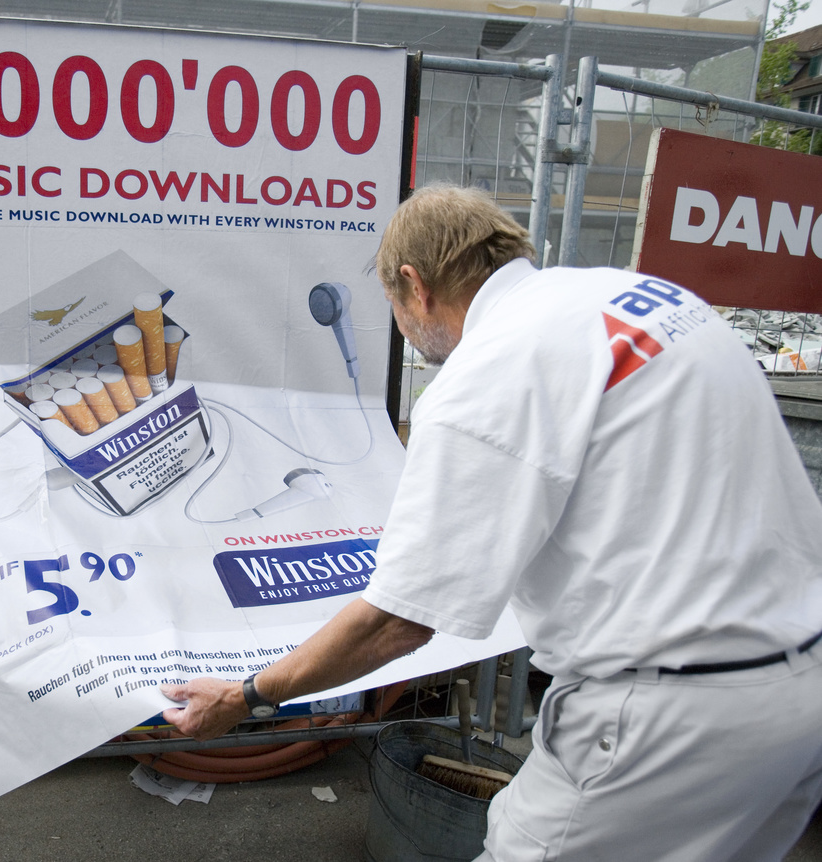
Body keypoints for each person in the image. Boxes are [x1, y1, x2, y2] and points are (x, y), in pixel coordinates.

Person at [161, 183, 822, 861]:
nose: (405, 330)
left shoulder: (488, 369)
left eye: (394, 307)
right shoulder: (644, 300)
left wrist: (246, 694)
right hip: (800, 691)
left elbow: (397, 622)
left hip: (667, 720)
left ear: (415, 286)